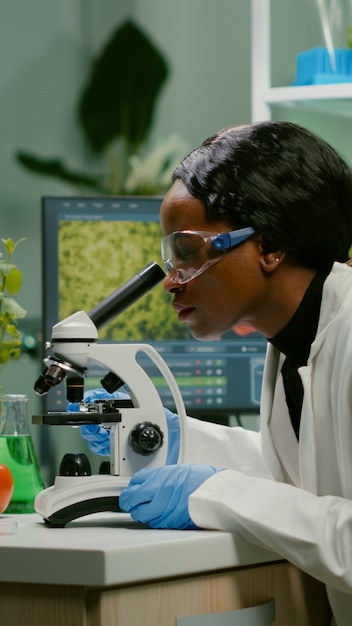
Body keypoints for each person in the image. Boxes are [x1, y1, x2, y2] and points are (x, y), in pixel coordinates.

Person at [81, 121, 352, 625]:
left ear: (269, 246)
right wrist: (173, 439)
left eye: (186, 253)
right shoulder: (294, 342)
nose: (171, 282)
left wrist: (213, 492)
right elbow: (308, 479)